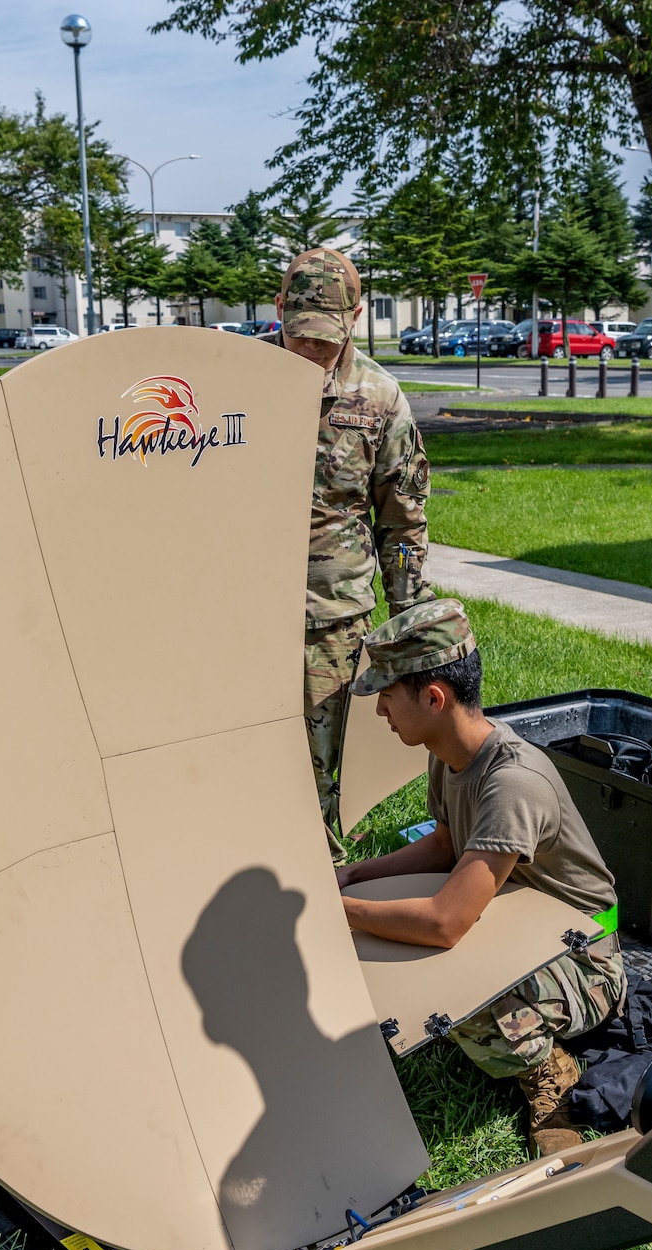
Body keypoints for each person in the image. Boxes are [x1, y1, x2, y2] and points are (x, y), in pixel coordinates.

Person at [333, 600, 622, 1156]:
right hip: (515, 920)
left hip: (586, 957)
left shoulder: (512, 782)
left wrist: (340, 909)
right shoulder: (449, 754)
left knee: (453, 994)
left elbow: (445, 924)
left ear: (434, 698)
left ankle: (549, 1076)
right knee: (386, 928)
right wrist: (353, 877)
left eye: (387, 695)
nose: (380, 711)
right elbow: (444, 844)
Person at [264, 248, 433, 858]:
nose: (310, 353)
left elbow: (403, 522)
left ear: (356, 318)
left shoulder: (380, 399)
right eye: (299, 337)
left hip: (334, 620)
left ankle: (323, 885)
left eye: (324, 341)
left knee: (318, 774)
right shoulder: (240, 385)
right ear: (280, 310)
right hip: (245, 614)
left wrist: (413, 624)